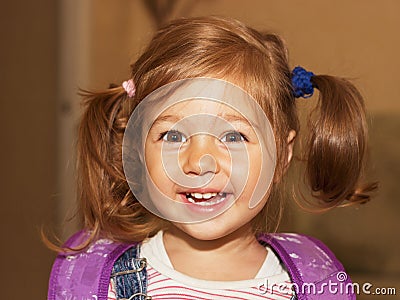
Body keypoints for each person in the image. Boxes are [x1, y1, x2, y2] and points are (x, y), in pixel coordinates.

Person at [47, 16, 375, 300]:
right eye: (172, 136)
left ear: (282, 155)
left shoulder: (315, 281)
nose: (199, 162)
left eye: (233, 137)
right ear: (136, 152)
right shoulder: (101, 283)